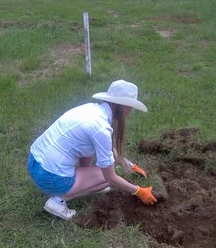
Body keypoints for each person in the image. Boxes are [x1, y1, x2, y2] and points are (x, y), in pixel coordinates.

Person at [27, 80, 157, 220]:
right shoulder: (100, 128)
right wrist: (138, 191)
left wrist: (130, 165)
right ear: (124, 107)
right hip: (50, 176)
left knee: (95, 159)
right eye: (131, 107)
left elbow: (107, 148)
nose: (130, 112)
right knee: (108, 178)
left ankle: (82, 183)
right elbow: (110, 177)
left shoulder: (91, 110)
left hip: (35, 163)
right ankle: (57, 201)